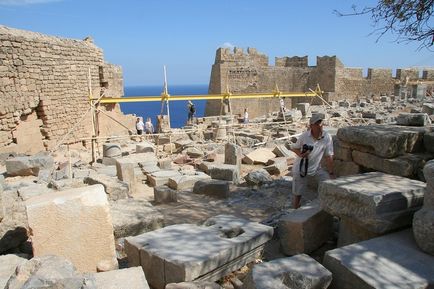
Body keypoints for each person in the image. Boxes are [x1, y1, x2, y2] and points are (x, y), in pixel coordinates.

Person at [290, 114, 335, 209]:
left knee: (328, 182)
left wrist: (331, 172)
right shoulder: (304, 136)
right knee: (298, 188)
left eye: (321, 123)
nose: (320, 126)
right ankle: (295, 207)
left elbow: (329, 155)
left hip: (316, 168)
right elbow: (294, 148)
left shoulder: (327, 137)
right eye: (317, 124)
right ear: (311, 126)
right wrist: (301, 155)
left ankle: (327, 206)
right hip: (301, 166)